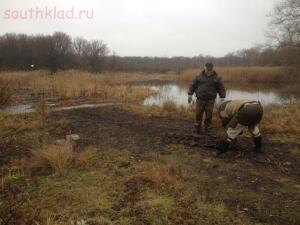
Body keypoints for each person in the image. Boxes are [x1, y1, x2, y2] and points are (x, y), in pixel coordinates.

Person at [188, 62, 226, 133]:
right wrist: (190, 94)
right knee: (198, 114)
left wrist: (222, 97)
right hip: (200, 99)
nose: (208, 71)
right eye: (207, 69)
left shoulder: (217, 78)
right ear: (204, 68)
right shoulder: (199, 77)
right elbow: (192, 85)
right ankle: (197, 126)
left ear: (212, 69)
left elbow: (221, 88)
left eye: (210, 70)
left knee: (209, 114)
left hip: (210, 100)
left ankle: (208, 127)